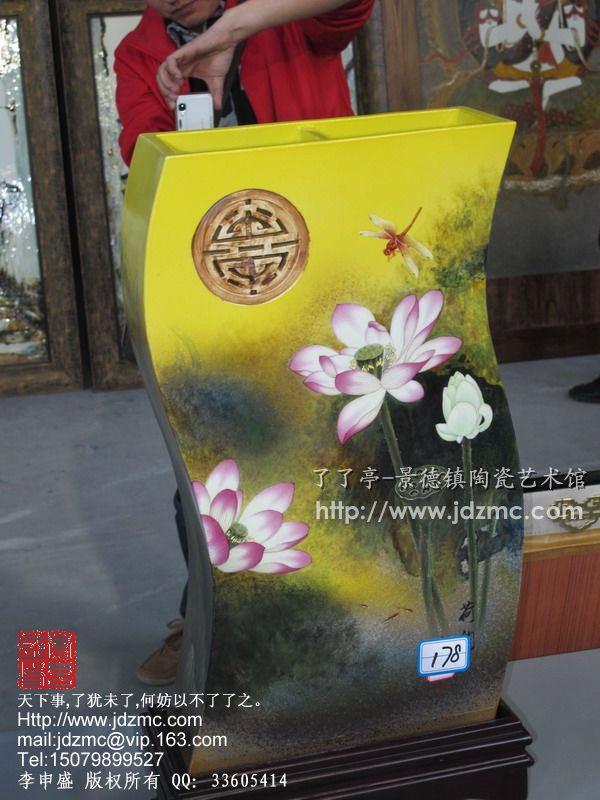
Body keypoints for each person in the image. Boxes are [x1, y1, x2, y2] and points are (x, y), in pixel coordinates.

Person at [115, 0, 374, 684]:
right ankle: (207, 623)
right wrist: (204, 98)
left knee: (333, 446)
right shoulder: (141, 53)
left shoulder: (288, 14)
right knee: (210, 461)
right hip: (214, 287)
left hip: (327, 266)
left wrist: (237, 28)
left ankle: (355, 615)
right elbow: (143, 157)